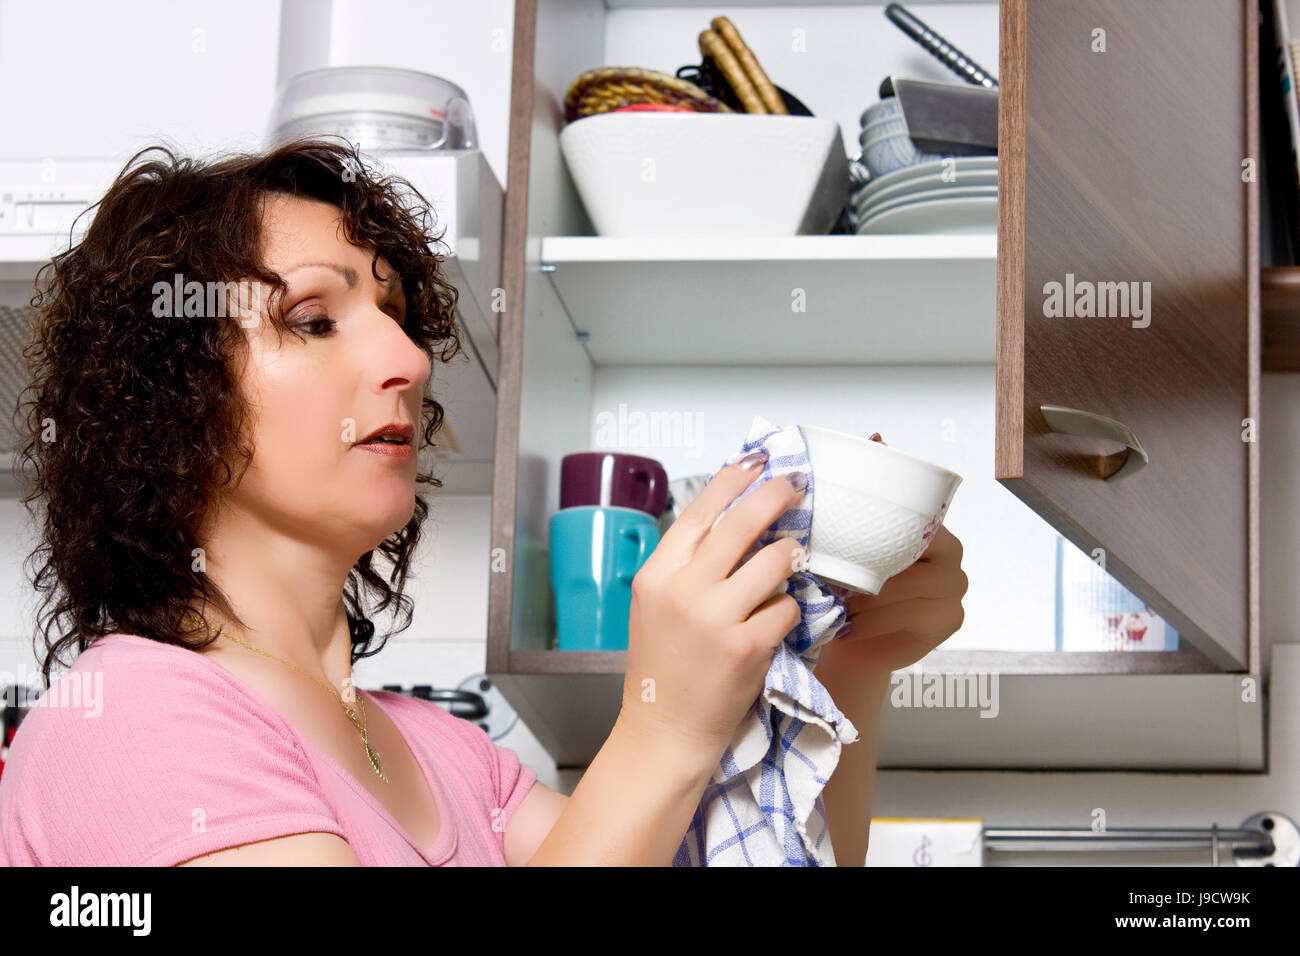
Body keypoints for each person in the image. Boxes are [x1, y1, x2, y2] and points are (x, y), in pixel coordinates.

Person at [0, 137, 966, 866]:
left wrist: (846, 665)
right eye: (315, 318)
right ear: (167, 398)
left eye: (397, 316)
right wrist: (666, 727)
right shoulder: (126, 722)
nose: (409, 359)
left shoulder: (457, 759)